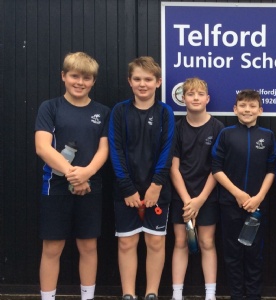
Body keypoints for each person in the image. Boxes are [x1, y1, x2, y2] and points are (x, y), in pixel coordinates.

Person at [35, 52, 110, 300]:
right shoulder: (50, 107)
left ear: (93, 81)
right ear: (63, 77)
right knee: (52, 247)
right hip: (54, 186)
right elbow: (42, 147)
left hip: (91, 186)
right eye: (74, 76)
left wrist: (87, 173)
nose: (80, 82)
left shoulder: (102, 111)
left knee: (88, 246)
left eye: (86, 78)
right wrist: (73, 175)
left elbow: (104, 148)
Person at [108, 56, 175, 300]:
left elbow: (168, 150)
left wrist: (156, 185)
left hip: (158, 191)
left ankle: (151, 293)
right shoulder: (119, 111)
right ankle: (128, 294)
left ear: (158, 82)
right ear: (130, 81)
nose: (142, 84)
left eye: (148, 79)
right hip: (125, 191)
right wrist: (126, 188)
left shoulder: (166, 112)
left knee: (155, 243)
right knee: (126, 243)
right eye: (137, 79)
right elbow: (115, 150)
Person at [211, 89, 276, 300]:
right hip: (230, 204)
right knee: (232, 253)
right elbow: (216, 168)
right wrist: (238, 194)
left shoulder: (267, 136)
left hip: (257, 207)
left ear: (260, 110)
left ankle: (254, 295)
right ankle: (237, 295)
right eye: (243, 106)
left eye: (252, 106)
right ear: (235, 109)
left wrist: (258, 197)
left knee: (254, 253)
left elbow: (271, 170)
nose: (247, 110)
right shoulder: (226, 134)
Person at [169, 77, 224, 300]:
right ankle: (177, 294)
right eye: (190, 94)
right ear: (183, 99)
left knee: (206, 242)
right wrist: (187, 200)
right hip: (180, 196)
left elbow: (217, 168)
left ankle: (210, 294)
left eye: (200, 94)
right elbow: (173, 168)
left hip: (207, 196)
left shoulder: (218, 127)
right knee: (181, 241)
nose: (195, 98)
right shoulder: (177, 127)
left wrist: (200, 199)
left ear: (207, 99)